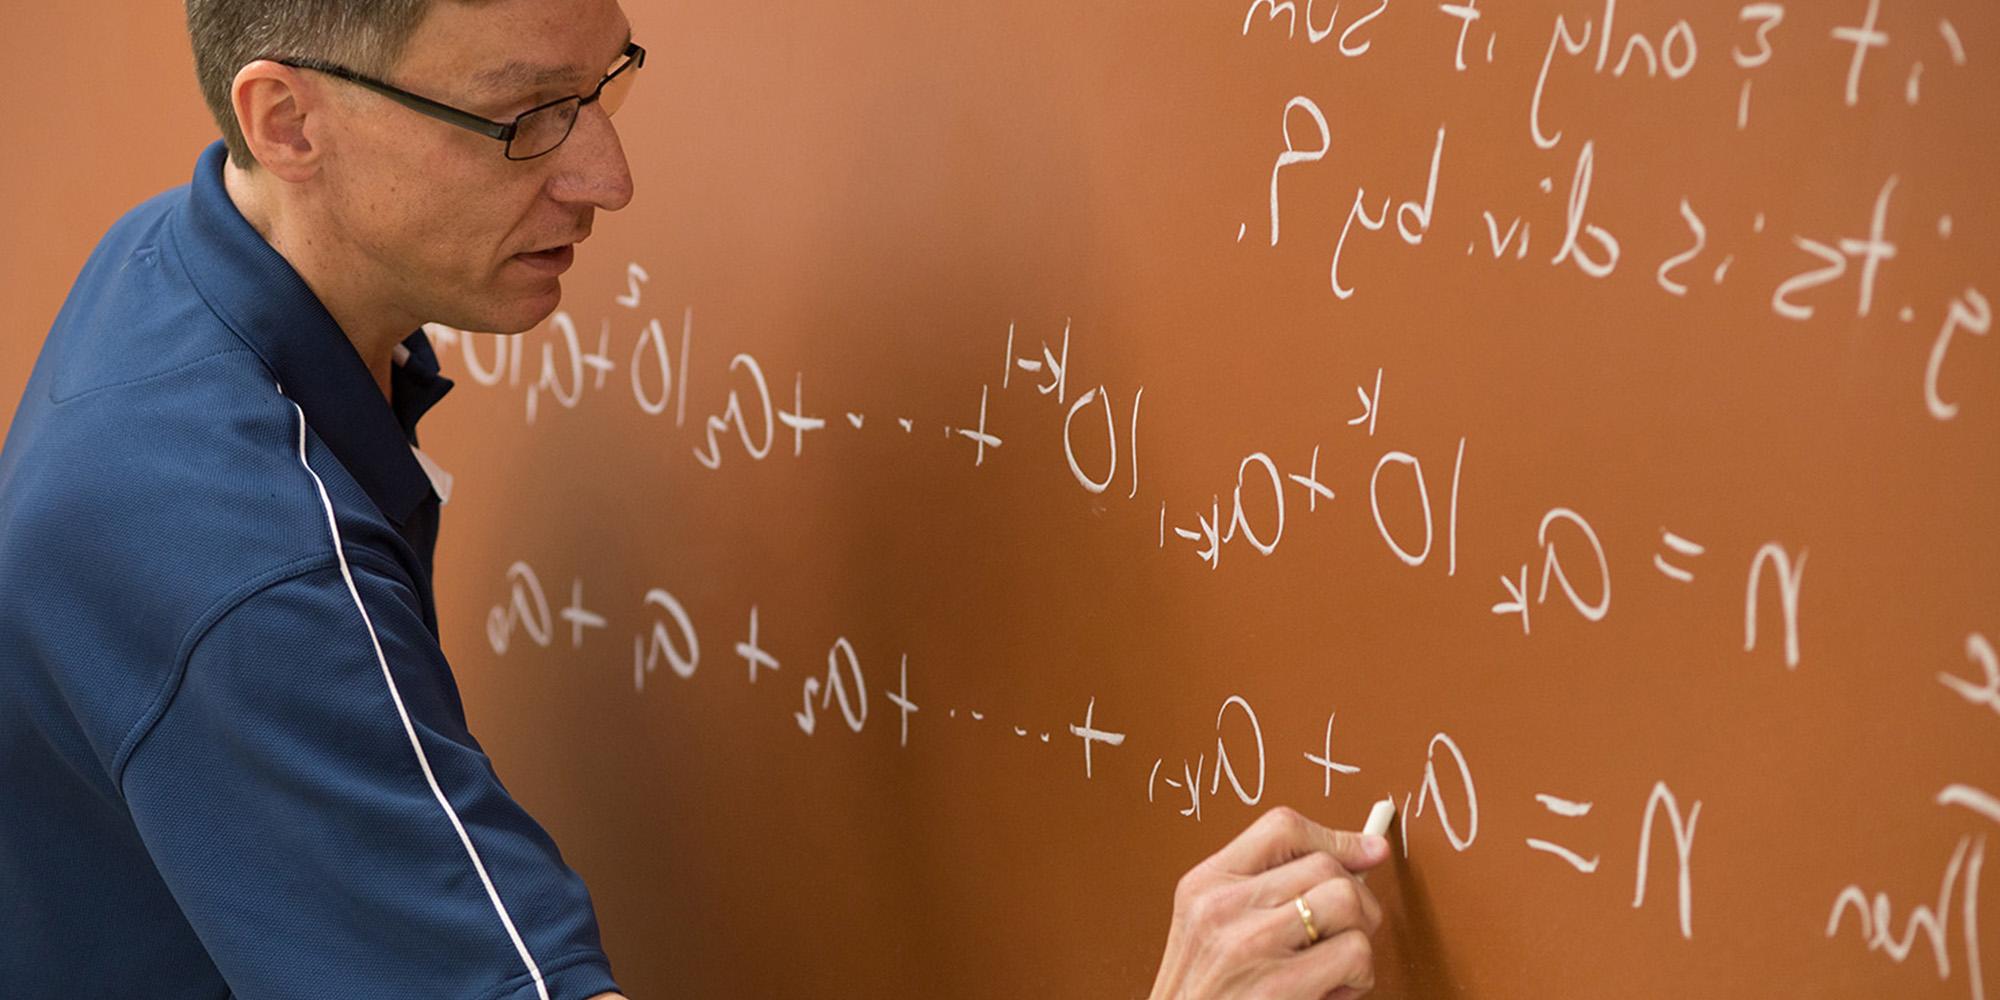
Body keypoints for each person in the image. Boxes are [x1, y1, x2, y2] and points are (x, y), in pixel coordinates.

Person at [0, 1, 1389, 997]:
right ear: (288, 120)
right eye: (523, 116)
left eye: (605, 81)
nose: (608, 172)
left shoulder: (180, 268)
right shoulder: (244, 569)